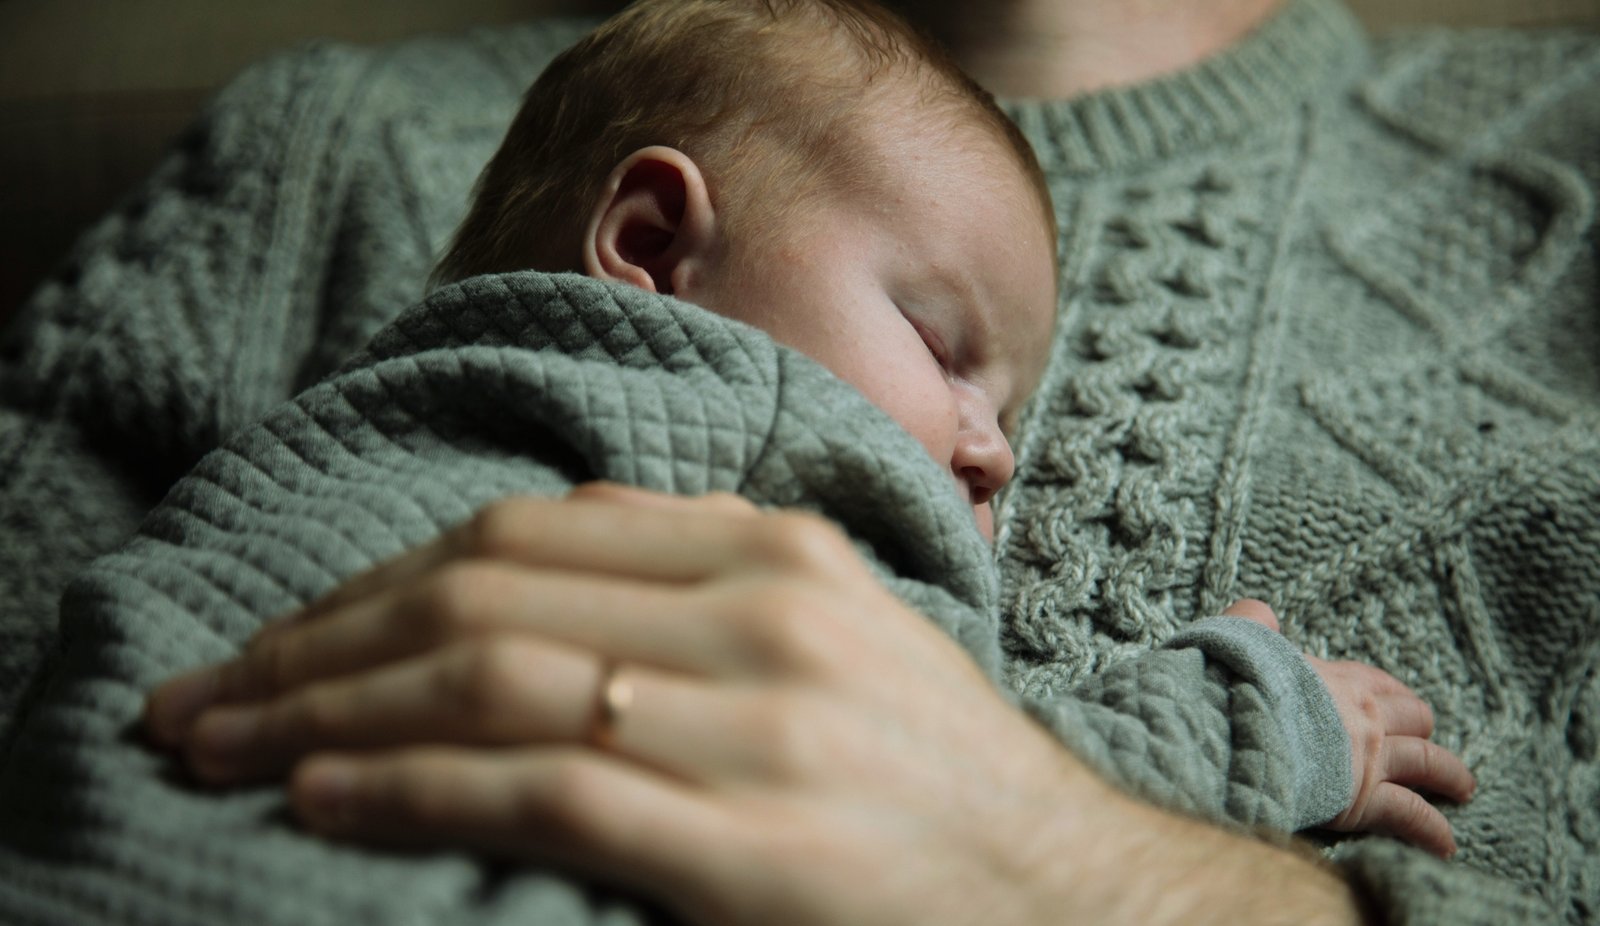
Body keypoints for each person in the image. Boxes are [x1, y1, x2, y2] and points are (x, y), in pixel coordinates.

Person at [0, 0, 1592, 924]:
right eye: (940, 343)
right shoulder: (736, 412)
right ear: (649, 244)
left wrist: (1077, 865)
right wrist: (1259, 716)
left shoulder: (1564, 148)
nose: (993, 449)